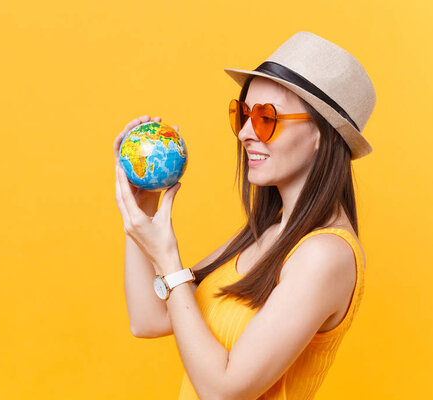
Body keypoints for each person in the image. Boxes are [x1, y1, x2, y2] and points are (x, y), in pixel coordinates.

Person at [114, 31, 375, 400]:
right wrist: (142, 209)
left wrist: (167, 257)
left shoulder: (324, 255)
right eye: (244, 114)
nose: (246, 134)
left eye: (267, 118)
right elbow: (148, 318)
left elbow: (224, 391)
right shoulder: (269, 234)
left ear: (321, 134)